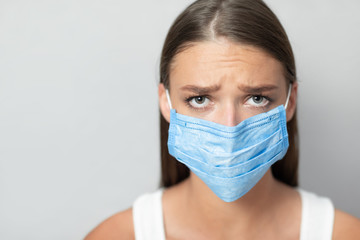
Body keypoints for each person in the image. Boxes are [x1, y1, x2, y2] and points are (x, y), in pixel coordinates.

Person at [85, 0, 360, 239]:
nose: (230, 127)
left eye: (256, 98)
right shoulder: (117, 236)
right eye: (200, 99)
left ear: (291, 102)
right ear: (165, 103)